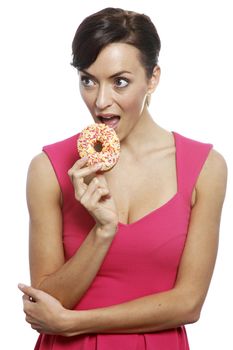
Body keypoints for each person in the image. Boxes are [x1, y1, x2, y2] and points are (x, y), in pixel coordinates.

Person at [18, 7, 227, 350]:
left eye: (120, 82)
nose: (101, 102)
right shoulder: (48, 169)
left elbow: (189, 303)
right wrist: (102, 232)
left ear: (153, 78)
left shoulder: (206, 168)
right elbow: (47, 302)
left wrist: (75, 322)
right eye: (88, 80)